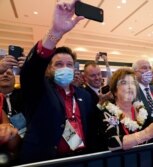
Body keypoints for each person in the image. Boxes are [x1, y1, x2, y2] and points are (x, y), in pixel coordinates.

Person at [19, 0, 99, 163]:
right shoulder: (40, 89)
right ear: (49, 69)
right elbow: (31, 71)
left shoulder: (85, 96)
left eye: (69, 65)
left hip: (82, 158)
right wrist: (55, 32)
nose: (65, 68)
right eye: (59, 64)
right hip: (47, 160)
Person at [97, 68, 153, 151]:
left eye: (133, 83)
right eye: (124, 83)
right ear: (115, 91)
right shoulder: (106, 112)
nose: (130, 87)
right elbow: (111, 143)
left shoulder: (141, 111)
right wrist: (146, 133)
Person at [132, 60, 153, 129]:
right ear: (135, 73)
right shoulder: (132, 91)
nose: (148, 70)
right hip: (144, 134)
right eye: (144, 68)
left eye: (149, 68)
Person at [0, 54, 27, 138]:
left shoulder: (24, 94)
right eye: (1, 73)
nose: (5, 75)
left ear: (15, 79)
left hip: (25, 142)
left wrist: (30, 69)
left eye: (9, 73)